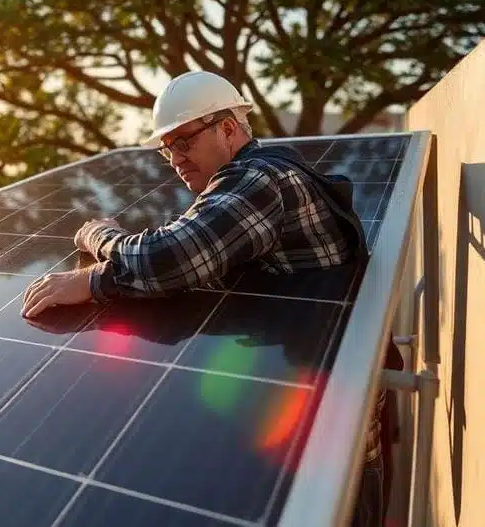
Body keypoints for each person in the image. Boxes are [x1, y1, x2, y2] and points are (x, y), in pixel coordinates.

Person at [20, 70, 395, 527]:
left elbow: (172, 256)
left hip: (336, 414)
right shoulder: (261, 170)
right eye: (167, 148)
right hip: (326, 392)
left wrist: (98, 254)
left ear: (229, 128)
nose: (175, 159)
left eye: (184, 142)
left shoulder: (257, 181)